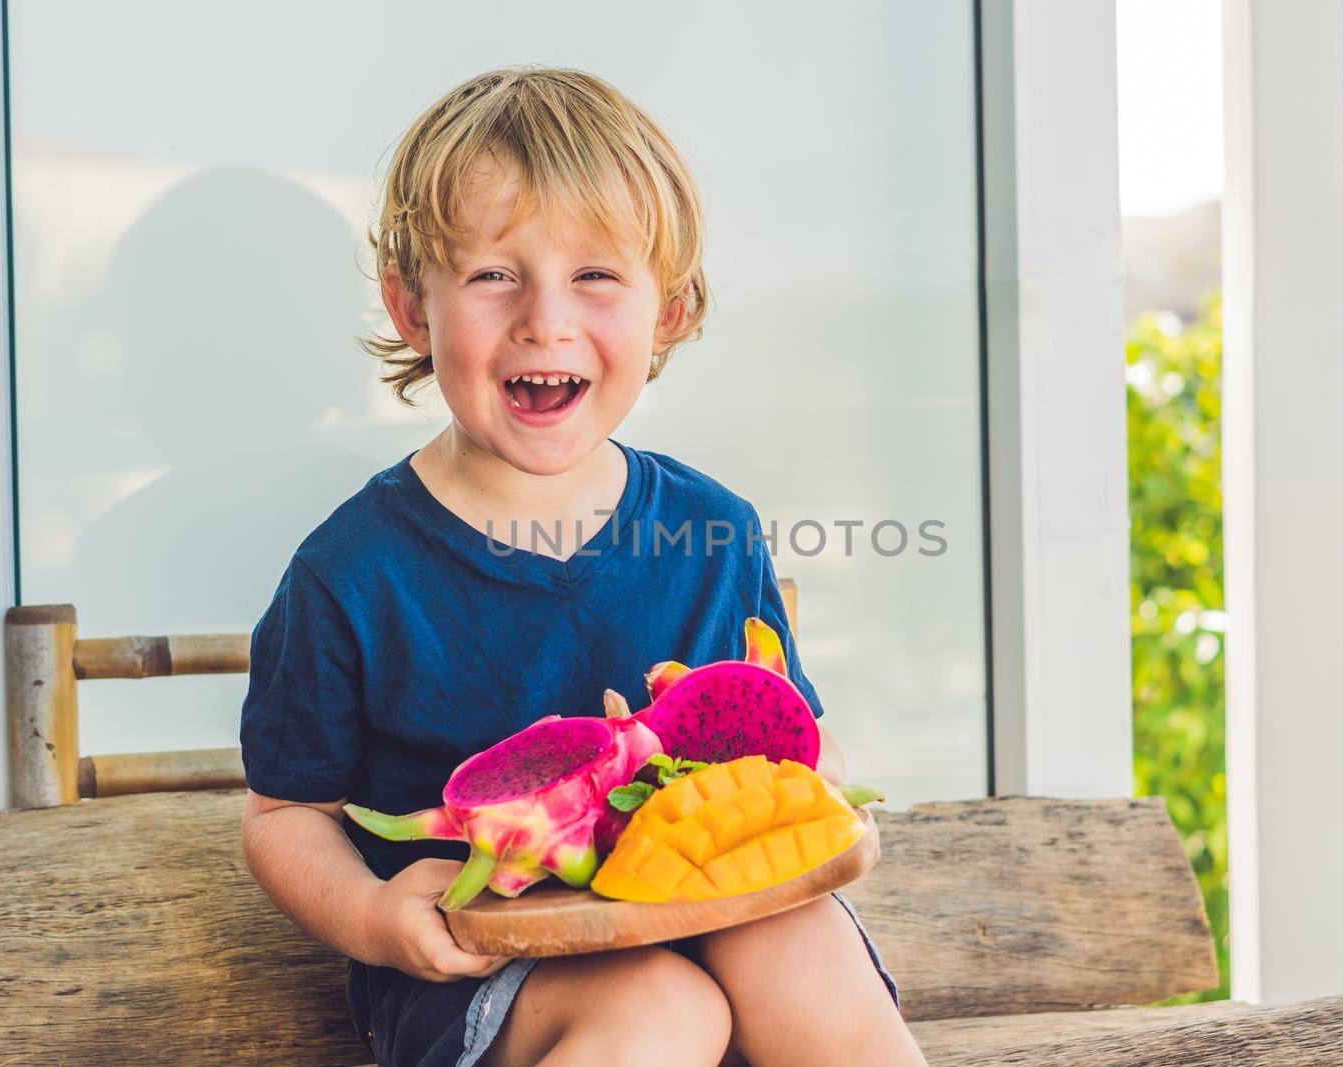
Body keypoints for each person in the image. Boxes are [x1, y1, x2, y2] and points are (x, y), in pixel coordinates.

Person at [238, 65, 926, 1067]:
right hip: (488, 966)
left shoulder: (711, 529)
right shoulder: (350, 572)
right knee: (660, 1009)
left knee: (796, 943)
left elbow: (797, 746)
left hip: (711, 901)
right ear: (411, 309)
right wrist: (375, 916)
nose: (543, 319)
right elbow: (284, 811)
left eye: (595, 275)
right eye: (491, 274)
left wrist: (794, 778)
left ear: (671, 310)